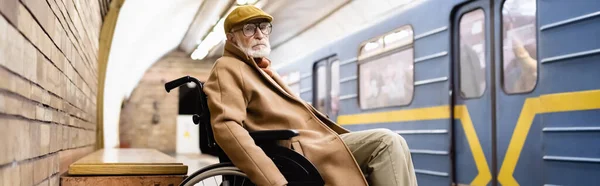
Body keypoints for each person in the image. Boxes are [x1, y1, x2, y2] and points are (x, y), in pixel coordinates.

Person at [203, 5, 417, 186]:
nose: (259, 34)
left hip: (313, 144)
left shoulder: (260, 70)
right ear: (231, 38)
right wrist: (273, 180)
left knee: (395, 144)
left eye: (263, 27)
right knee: (386, 143)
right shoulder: (227, 67)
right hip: (298, 152)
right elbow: (226, 127)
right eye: (248, 29)